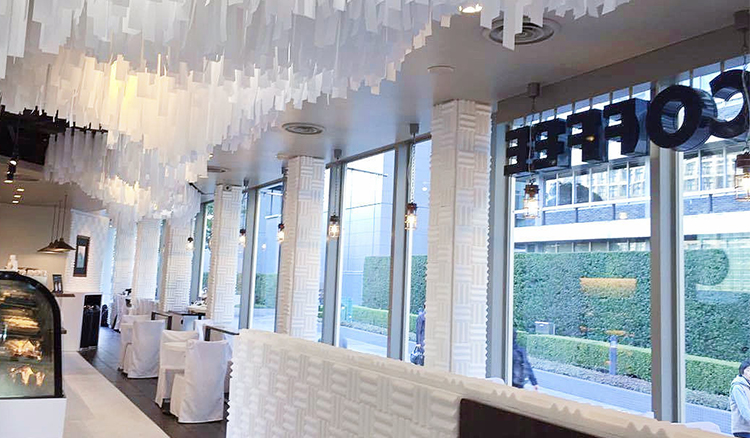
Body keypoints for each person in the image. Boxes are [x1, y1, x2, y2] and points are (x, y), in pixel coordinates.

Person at [731, 359, 750, 437]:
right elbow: (745, 411)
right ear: (742, 371)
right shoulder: (738, 387)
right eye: (748, 370)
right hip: (743, 430)